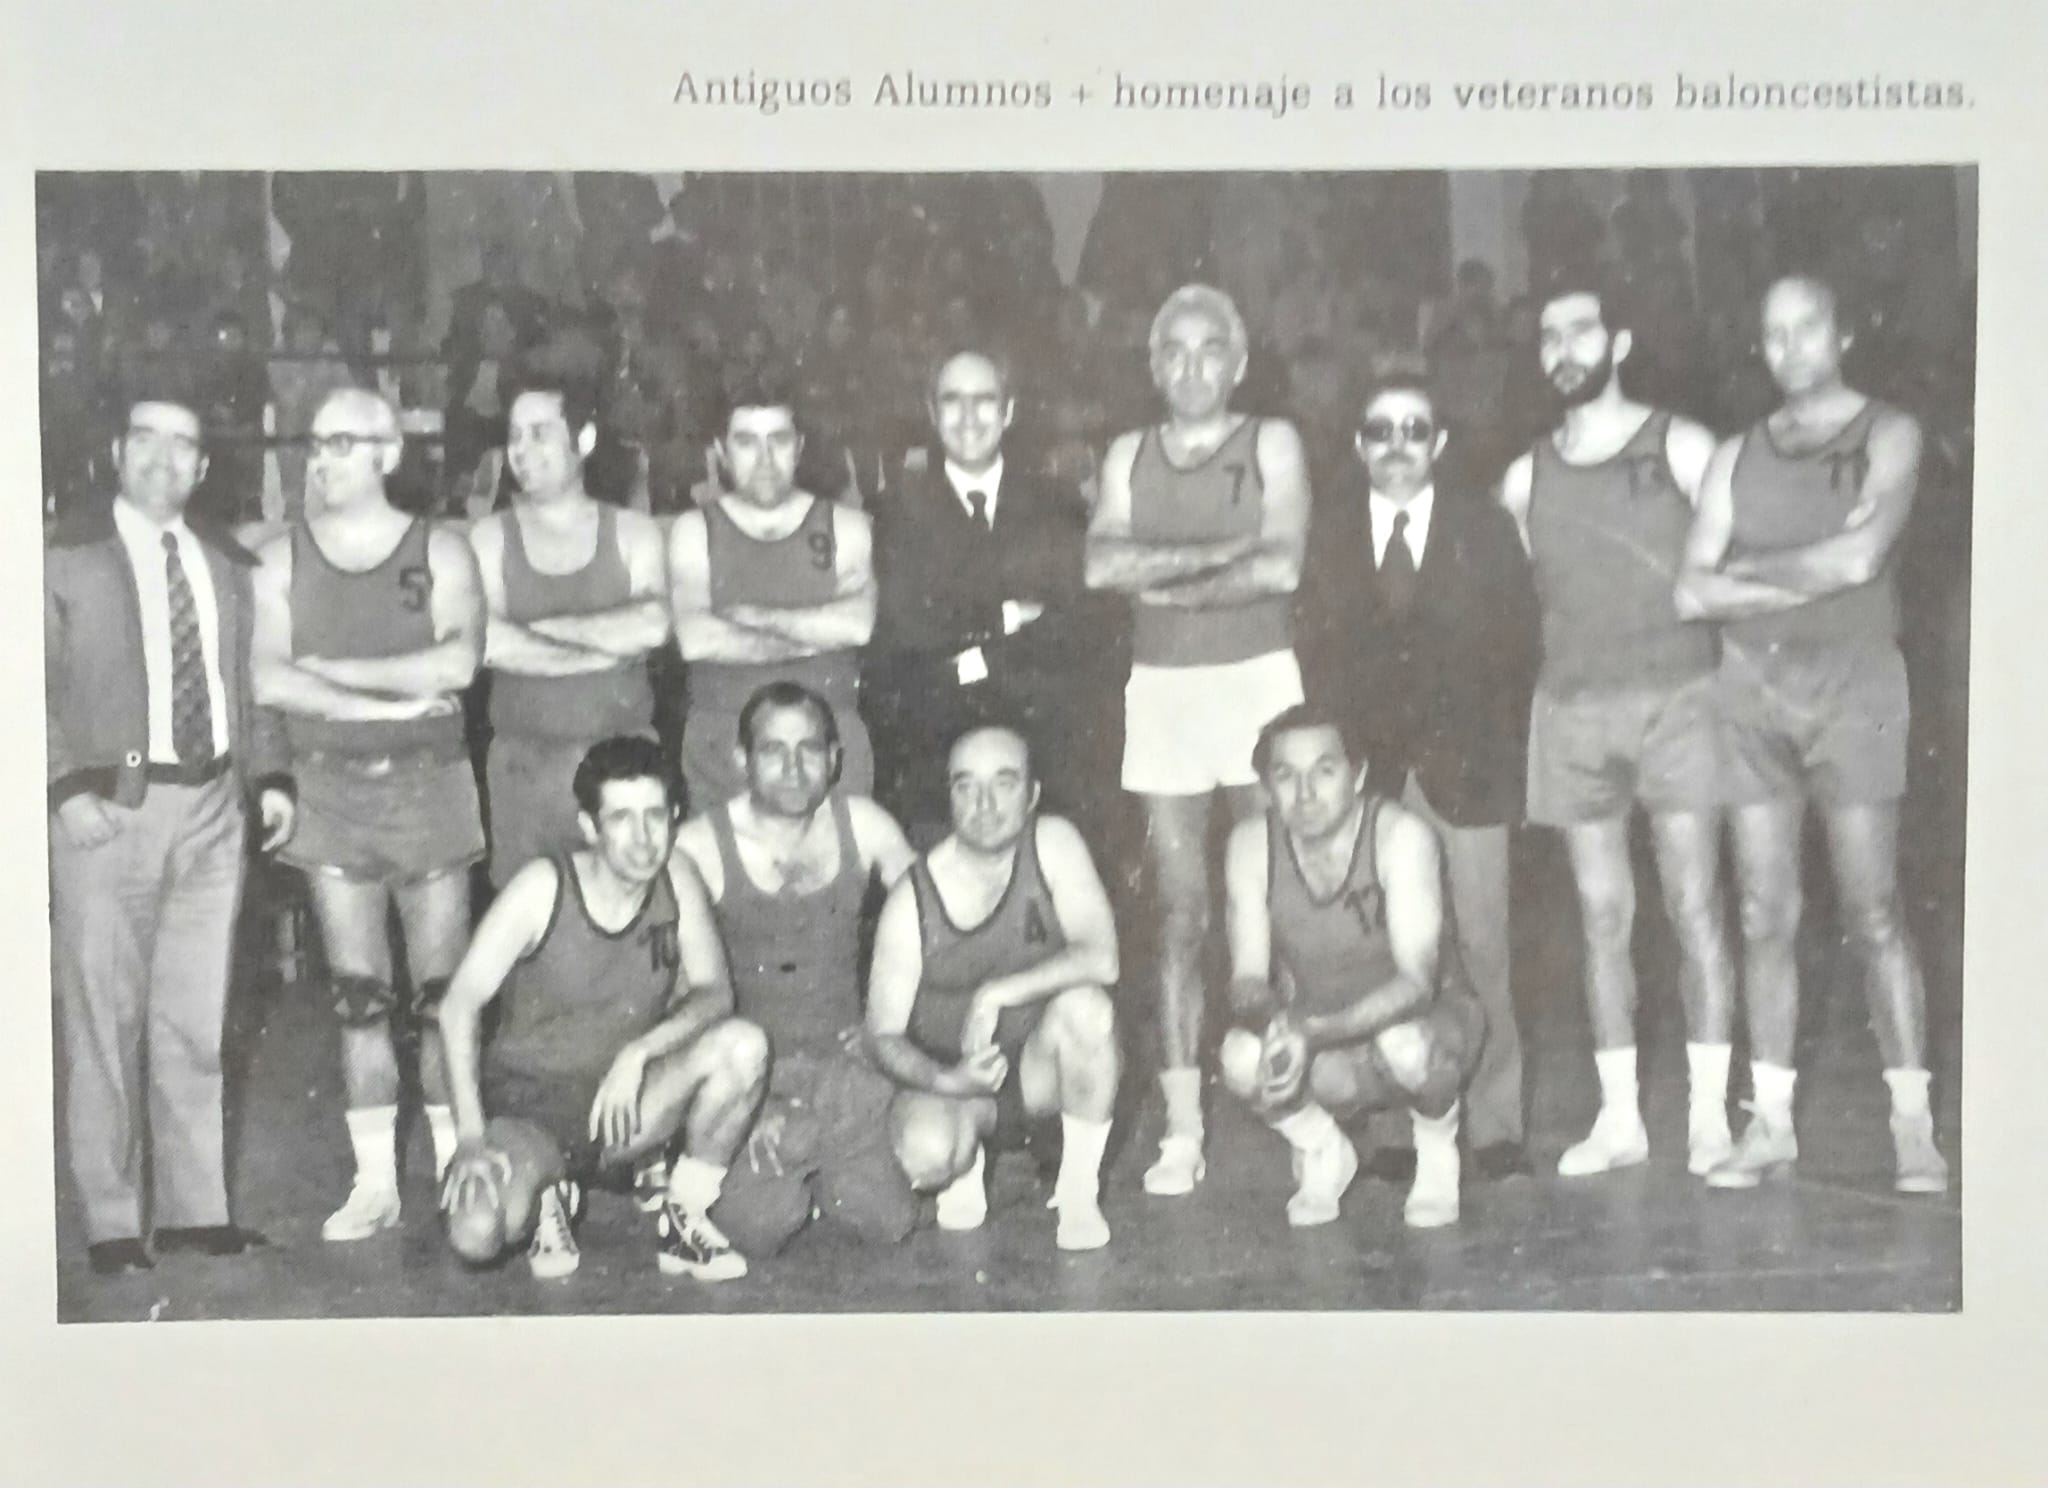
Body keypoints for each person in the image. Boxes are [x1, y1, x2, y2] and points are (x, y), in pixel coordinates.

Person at [1675, 274, 1949, 1194]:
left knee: (1874, 910)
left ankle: (1914, 1127)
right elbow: (1687, 589)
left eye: (1807, 329)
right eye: (1773, 333)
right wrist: (1810, 570)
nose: (1791, 347)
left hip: (1856, 690)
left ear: (1842, 333)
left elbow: (1866, 556)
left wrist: (1749, 569)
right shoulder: (1733, 455)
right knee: (1763, 912)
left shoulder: (1891, 431)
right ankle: (1773, 1124)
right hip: (1752, 699)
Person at [47, 384, 296, 1276]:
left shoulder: (225, 562)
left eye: (180, 445)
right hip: (110, 807)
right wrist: (61, 789)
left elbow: (245, 682)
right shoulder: (60, 558)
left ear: (200, 465)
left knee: (195, 1017)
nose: (161, 458)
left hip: (211, 808)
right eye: (143, 440)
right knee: (103, 1025)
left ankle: (196, 1212)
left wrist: (265, 779)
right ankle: (115, 1222)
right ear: (117, 452)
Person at [1498, 278, 1737, 1179]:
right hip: (1573, 709)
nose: (1564, 348)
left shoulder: (1682, 443)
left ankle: (1710, 1117)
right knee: (1601, 915)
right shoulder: (1523, 477)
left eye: (1582, 330)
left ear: (1621, 342)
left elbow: (1734, 565)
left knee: (1693, 905)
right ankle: (1621, 1119)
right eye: (1549, 334)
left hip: (1680, 699)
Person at [1084, 283, 1312, 1197]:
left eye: (1208, 349)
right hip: (1166, 690)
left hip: (1260, 680)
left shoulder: (1274, 442)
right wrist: (1228, 564)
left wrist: (1163, 578)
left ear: (1240, 359)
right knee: (1181, 913)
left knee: (1278, 898)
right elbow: (1102, 564)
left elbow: (1284, 563)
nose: (1190, 368)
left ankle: (1303, 1112)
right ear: (1151, 366)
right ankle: (1184, 1131)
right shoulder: (1127, 453)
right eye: (1171, 352)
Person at [250, 387, 488, 1240]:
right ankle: (376, 1183)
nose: (322, 459)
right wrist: (397, 687)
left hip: (429, 785)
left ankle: (464, 1166)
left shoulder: (444, 549)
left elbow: (457, 665)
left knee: (440, 997)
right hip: (331, 792)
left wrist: (332, 675)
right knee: (358, 997)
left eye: (343, 444)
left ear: (390, 453)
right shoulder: (282, 559)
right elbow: (270, 679)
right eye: (315, 444)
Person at [1296, 377, 1540, 1182]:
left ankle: (1498, 1123)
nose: (1398, 445)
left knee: (1481, 945)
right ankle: (1400, 1131)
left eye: (1415, 429)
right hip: (1375, 783)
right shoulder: (1329, 536)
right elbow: (1316, 657)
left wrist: (1495, 758)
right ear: (1358, 445)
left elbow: (1519, 653)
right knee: (1389, 955)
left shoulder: (1486, 528)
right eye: (1380, 430)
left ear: (1438, 443)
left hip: (1468, 775)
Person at [436, 737, 765, 1280]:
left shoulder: (677, 878)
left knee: (743, 1046)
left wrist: (639, 1052)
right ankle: (549, 1191)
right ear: (590, 827)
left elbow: (715, 992)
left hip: (626, 1107)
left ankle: (683, 1215)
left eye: (655, 817)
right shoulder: (543, 886)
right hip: (531, 1110)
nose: (642, 840)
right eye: (622, 819)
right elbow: (457, 1007)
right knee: (475, 1235)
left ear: (674, 818)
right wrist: (470, 1138)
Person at [672, 682, 920, 1254]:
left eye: (809, 748)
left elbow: (935, 922)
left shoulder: (864, 823)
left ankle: (819, 1156)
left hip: (846, 1068)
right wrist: (737, 1105)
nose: (792, 767)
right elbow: (672, 992)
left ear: (835, 759)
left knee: (888, 1220)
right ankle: (792, 1161)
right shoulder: (698, 847)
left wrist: (890, 1026)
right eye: (771, 749)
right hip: (757, 1075)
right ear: (741, 760)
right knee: (758, 1228)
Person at [1217, 703, 1485, 1228]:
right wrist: (1277, 1027)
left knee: (1405, 1045)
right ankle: (1324, 1150)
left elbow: (1416, 984)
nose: (1305, 793)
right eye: (1285, 776)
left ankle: (1436, 1152)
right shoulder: (1250, 846)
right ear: (1267, 787)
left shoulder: (1402, 838)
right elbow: (1247, 979)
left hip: (1428, 1026)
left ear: (1359, 775)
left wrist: (1309, 1031)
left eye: (1324, 771)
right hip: (1330, 1044)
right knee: (1239, 1056)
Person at [865, 724, 1121, 1251]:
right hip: (954, 1081)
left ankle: (1078, 1191)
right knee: (927, 1153)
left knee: (1088, 1009)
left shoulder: (1053, 843)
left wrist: (997, 992)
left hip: (1034, 1074)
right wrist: (946, 1079)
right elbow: (881, 1035)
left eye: (1004, 783)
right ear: (949, 797)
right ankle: (967, 1162)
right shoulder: (913, 896)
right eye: (965, 785)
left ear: (1032, 795)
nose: (984, 803)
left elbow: (1103, 957)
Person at [869, 345, 1109, 844]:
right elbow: (907, 624)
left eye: (984, 400)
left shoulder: (1057, 503)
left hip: (1039, 736)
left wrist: (966, 652)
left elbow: (1078, 625)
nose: (969, 417)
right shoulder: (896, 510)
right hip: (937, 739)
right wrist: (1008, 616)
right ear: (932, 414)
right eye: (953, 401)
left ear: (1009, 411)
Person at [467, 375, 669, 886]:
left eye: (539, 433)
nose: (521, 450)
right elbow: (483, 641)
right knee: (534, 939)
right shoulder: (490, 538)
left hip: (624, 778)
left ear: (584, 441)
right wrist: (605, 648)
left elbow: (654, 623)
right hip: (524, 775)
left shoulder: (633, 532)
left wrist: (533, 637)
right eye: (514, 435)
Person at [668, 368, 877, 812]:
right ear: (721, 452)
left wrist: (749, 617)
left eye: (778, 440)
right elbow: (695, 639)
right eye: (746, 442)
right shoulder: (693, 531)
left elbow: (857, 627)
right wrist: (814, 630)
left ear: (799, 447)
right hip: (724, 743)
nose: (765, 458)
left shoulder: (846, 525)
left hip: (828, 737)